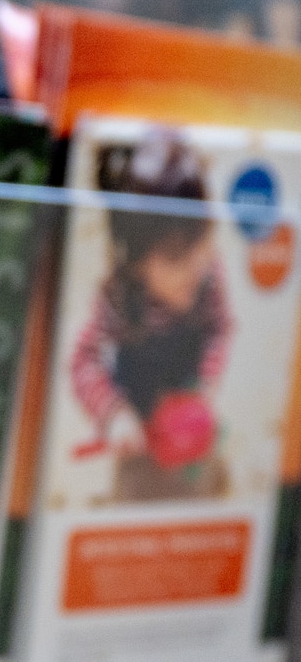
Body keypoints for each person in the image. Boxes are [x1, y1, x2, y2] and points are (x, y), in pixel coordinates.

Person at [71, 130, 233, 501]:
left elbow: (220, 330)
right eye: (175, 257)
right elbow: (84, 360)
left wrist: (205, 389)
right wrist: (115, 415)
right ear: (136, 264)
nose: (195, 266)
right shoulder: (119, 300)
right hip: (141, 443)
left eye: (202, 241)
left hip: (194, 438)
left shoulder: (209, 279)